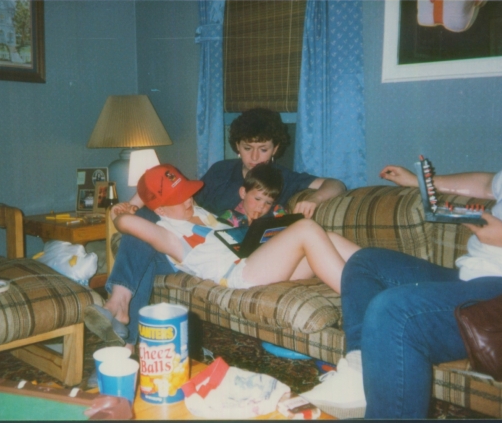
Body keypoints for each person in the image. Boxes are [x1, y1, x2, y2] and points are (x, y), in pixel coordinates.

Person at [85, 108, 347, 353]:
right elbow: (173, 191)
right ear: (237, 147)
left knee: (141, 242)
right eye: (248, 148)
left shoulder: (278, 177)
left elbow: (336, 184)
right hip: (197, 250)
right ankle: (121, 319)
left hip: (235, 256)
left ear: (275, 148)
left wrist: (316, 199)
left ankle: (121, 330)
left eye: (263, 149)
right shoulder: (221, 172)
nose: (255, 157)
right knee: (142, 224)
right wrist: (130, 207)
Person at [301, 164, 502, 419]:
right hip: (470, 277)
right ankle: (358, 371)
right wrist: (419, 181)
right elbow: (487, 183)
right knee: (365, 262)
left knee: (395, 310)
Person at [113, 164, 359, 292]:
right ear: (160, 210)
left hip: (258, 264)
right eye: (179, 199)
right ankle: (358, 300)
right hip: (241, 274)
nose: (188, 200)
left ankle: (374, 270)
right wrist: (122, 211)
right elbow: (125, 223)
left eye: (187, 194)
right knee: (305, 229)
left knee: (328, 237)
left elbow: (170, 189)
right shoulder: (170, 235)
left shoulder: (200, 212)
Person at [217, 163, 286, 228]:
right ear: (243, 193)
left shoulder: (277, 211)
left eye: (268, 202)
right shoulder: (230, 217)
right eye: (257, 199)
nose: (262, 206)